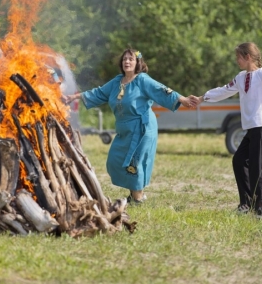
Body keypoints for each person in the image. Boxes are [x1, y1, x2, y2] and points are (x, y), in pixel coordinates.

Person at [64, 49, 196, 204]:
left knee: (135, 162)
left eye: (130, 59)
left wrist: (183, 99)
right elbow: (98, 93)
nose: (127, 62)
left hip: (142, 128)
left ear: (137, 63)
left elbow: (162, 90)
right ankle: (136, 194)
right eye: (124, 59)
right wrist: (73, 97)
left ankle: (137, 198)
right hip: (124, 129)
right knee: (115, 160)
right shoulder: (116, 82)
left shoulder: (142, 80)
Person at [195, 42, 262, 218]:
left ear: (248, 57)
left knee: (258, 168)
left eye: (238, 57)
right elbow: (223, 91)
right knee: (239, 160)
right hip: (250, 127)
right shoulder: (240, 77)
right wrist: (202, 98)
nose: (236, 60)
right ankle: (247, 203)